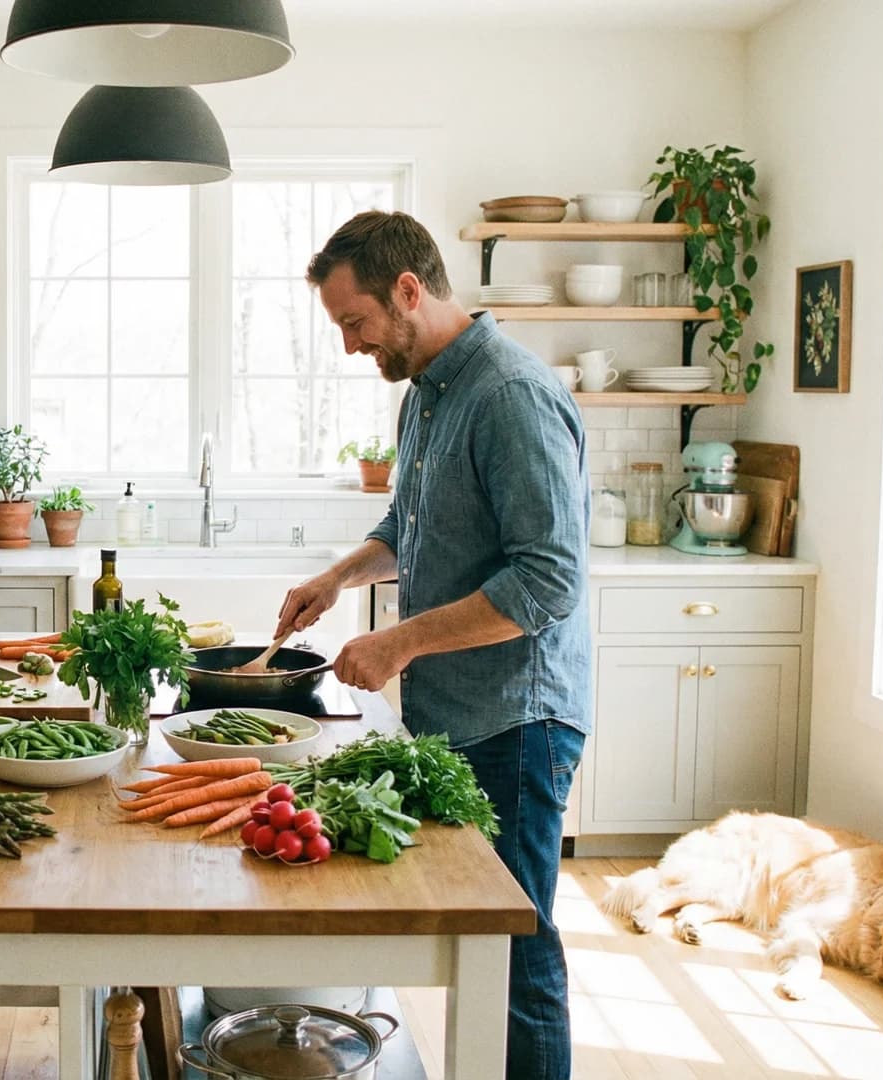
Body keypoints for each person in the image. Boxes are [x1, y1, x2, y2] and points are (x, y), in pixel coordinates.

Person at [277, 211, 590, 1080]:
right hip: (461, 711)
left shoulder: (510, 396)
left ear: (408, 291)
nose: (349, 346)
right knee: (474, 939)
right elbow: (407, 527)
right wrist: (340, 578)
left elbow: (546, 582)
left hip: (517, 718)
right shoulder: (429, 392)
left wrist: (400, 642)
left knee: (516, 943)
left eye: (355, 322)